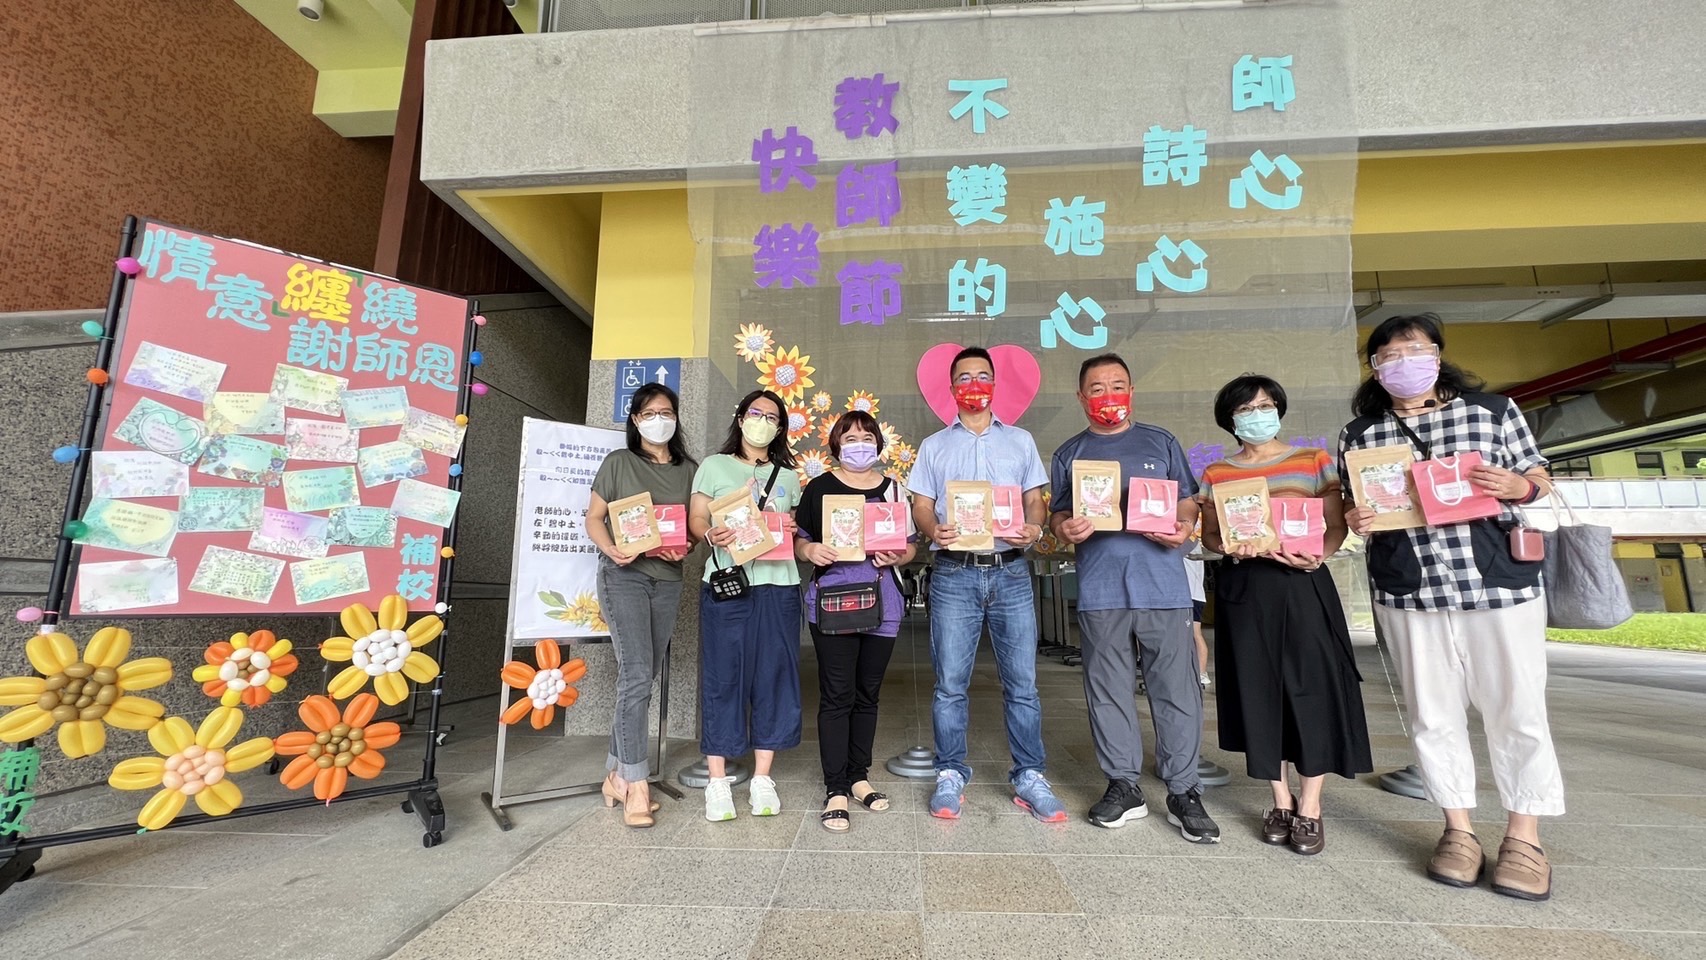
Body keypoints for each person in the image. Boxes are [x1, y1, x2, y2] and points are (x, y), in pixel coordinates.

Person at [1340, 314, 1560, 900]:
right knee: (1431, 714)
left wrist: (1520, 488)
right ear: (1375, 368)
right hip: (1411, 588)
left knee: (1517, 708)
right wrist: (1355, 519)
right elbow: (1354, 508)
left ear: (1437, 355)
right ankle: (1458, 830)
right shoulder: (1360, 434)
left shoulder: (1492, 412)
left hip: (1497, 583)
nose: (1401, 361)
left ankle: (1524, 836)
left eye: (1413, 349)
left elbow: (1538, 476)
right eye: (1387, 355)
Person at [1049, 353, 1220, 842]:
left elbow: (1186, 500)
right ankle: (1123, 785)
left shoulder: (1160, 441)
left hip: (1163, 586)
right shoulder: (1069, 453)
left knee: (1177, 690)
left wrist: (1184, 525)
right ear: (1082, 397)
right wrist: (1068, 527)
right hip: (1102, 588)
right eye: (1097, 388)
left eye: (1117, 386)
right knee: (1107, 690)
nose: (1108, 397)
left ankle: (1184, 789)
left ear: (1132, 392)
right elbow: (1059, 519)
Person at [1200, 374, 1372, 856]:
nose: (1258, 414)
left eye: (1267, 404)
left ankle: (1311, 806)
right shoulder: (1217, 472)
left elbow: (1335, 524)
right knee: (1258, 693)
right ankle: (1279, 800)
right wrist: (1230, 545)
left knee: (1311, 689)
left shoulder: (1312, 461)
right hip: (1246, 589)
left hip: (1303, 585)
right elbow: (1211, 537)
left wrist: (1320, 554)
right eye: (1248, 408)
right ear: (1230, 418)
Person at [908, 346, 1065, 822]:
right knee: (950, 685)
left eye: (983, 376)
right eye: (964, 377)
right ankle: (951, 772)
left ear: (996, 385)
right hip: (954, 573)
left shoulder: (1020, 441)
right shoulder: (935, 446)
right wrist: (934, 530)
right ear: (951, 387)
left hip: (1011, 571)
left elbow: (1035, 501)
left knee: (1023, 685)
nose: (974, 384)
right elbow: (920, 504)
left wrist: (1035, 528)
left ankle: (1029, 775)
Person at [795, 411, 917, 832]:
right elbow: (801, 539)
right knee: (837, 695)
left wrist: (899, 555)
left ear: (878, 443)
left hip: (883, 602)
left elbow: (912, 547)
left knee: (868, 694)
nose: (859, 444)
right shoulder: (819, 487)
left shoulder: (894, 490)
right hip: (833, 601)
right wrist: (809, 553)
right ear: (836, 445)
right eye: (850, 437)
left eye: (867, 436)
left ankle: (859, 776)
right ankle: (835, 788)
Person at [688, 389, 803, 823]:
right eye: (756, 413)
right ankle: (718, 782)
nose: (763, 421)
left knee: (774, 677)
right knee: (723, 677)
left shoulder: (788, 477)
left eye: (772, 417)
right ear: (740, 418)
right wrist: (708, 534)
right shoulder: (714, 466)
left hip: (779, 585)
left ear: (780, 428)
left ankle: (761, 778)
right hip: (728, 585)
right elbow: (698, 517)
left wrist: (791, 525)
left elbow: (793, 529)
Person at [584, 383, 696, 828]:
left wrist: (682, 546)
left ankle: (614, 773)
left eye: (665, 411)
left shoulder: (690, 470)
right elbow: (594, 517)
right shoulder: (618, 463)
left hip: (667, 580)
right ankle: (636, 783)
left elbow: (690, 529)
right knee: (635, 679)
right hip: (623, 577)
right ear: (634, 420)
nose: (658, 419)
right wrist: (612, 549)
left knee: (642, 676)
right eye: (649, 413)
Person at [1184, 549, 1209, 688]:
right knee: (1195, 634)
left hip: (1191, 594)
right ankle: (1200, 673)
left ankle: (1201, 673)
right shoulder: (1195, 542)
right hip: (1195, 594)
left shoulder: (1190, 543)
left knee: (1195, 634)